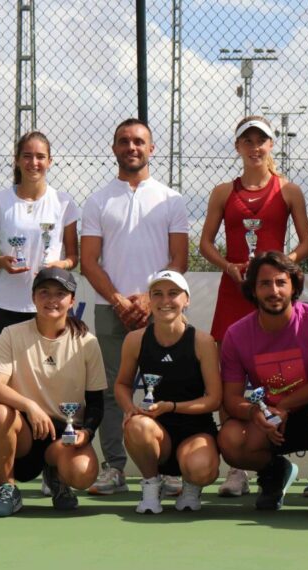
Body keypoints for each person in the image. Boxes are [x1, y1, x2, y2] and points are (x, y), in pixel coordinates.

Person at [199, 115, 308, 498]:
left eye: (261, 141)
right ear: (238, 147)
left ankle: (271, 454)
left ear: (271, 145)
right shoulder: (221, 192)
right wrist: (230, 267)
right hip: (233, 294)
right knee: (228, 379)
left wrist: (279, 263)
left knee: (273, 376)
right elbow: (206, 245)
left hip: (271, 295)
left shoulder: (289, 190)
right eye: (247, 141)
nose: (254, 147)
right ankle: (237, 470)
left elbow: (307, 246)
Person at [80, 118, 189, 498]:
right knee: (112, 390)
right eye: (124, 141)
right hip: (111, 310)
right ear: (114, 148)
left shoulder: (171, 199)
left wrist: (147, 299)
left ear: (151, 148)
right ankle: (114, 468)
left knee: (166, 389)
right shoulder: (97, 200)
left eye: (139, 141)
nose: (132, 147)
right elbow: (89, 262)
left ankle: (170, 469)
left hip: (160, 311)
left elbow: (179, 258)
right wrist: (119, 301)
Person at [0, 130, 80, 497]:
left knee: (53, 385)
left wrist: (60, 263)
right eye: (27, 155)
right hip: (9, 305)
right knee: (5, 388)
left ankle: (52, 466)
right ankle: (1, 469)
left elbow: (74, 256)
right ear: (18, 160)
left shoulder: (64, 202)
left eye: (40, 156)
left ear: (50, 161)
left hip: (50, 308)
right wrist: (3, 261)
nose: (34, 162)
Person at [216, 252, 308, 518]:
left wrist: (286, 404)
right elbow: (231, 398)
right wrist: (254, 413)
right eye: (265, 284)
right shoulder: (236, 334)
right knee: (231, 439)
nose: (274, 290)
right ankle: (274, 473)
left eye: (281, 282)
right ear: (253, 291)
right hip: (270, 421)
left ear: (294, 287)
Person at [0, 268, 107, 516]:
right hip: (25, 432)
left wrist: (87, 433)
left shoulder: (87, 342)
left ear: (72, 300)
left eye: (60, 294)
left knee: (82, 474)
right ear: (33, 297)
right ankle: (8, 489)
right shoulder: (11, 333)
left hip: (63, 436)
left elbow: (96, 403)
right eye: (44, 293)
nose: (52, 300)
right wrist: (30, 406)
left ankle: (57, 476)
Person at [115, 270, 222, 514]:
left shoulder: (203, 342)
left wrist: (172, 407)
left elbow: (214, 399)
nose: (165, 301)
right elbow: (121, 384)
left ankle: (191, 486)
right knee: (136, 426)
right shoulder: (135, 340)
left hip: (195, 431)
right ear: (149, 301)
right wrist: (130, 409)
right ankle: (152, 486)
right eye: (158, 294)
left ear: (186, 300)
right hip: (156, 431)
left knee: (202, 468)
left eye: (173, 293)